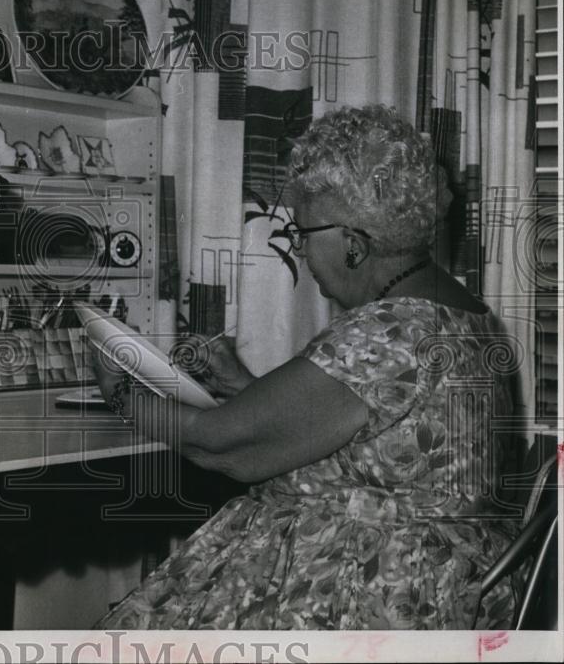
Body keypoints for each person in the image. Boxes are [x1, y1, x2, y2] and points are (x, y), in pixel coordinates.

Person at [93, 105, 520, 630]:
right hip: (435, 582)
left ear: (354, 244)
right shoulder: (458, 311)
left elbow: (219, 447)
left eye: (304, 235)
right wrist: (244, 385)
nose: (300, 252)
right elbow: (370, 439)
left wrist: (118, 393)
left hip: (371, 596)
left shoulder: (386, 332)